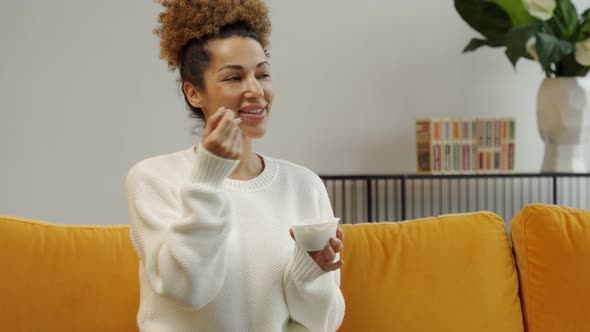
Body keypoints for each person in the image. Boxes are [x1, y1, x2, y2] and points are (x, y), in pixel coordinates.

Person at [124, 1, 346, 331]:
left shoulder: (304, 184)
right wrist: (209, 176)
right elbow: (190, 290)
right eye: (234, 77)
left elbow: (321, 324)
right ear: (194, 93)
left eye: (263, 74)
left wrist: (309, 272)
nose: (255, 91)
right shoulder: (154, 178)